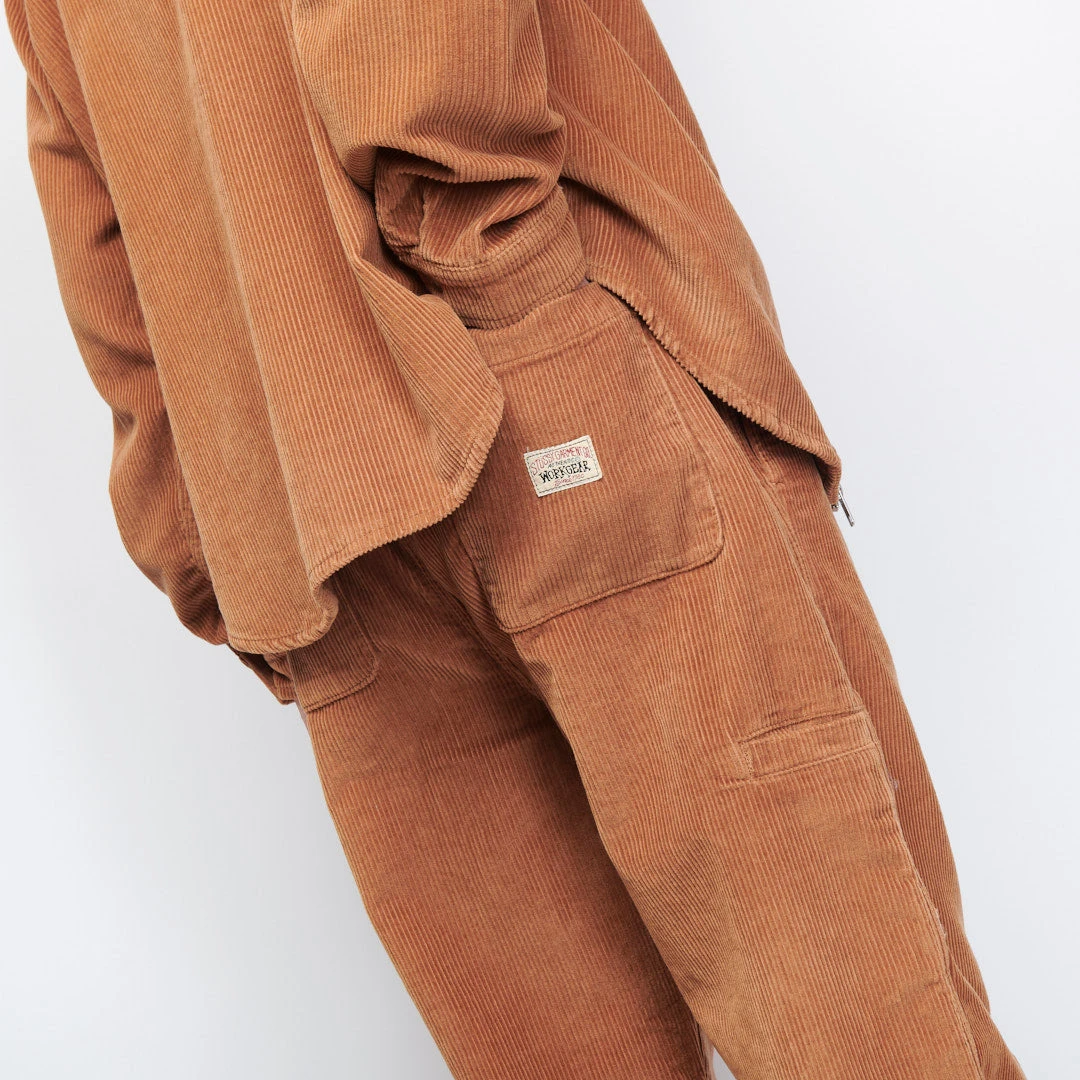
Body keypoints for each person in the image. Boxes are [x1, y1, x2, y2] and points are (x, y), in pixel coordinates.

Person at [5, 1, 1026, 1077]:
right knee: (870, 1030)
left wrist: (209, 539)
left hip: (313, 515)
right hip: (540, 376)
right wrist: (503, 269)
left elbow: (83, 195)